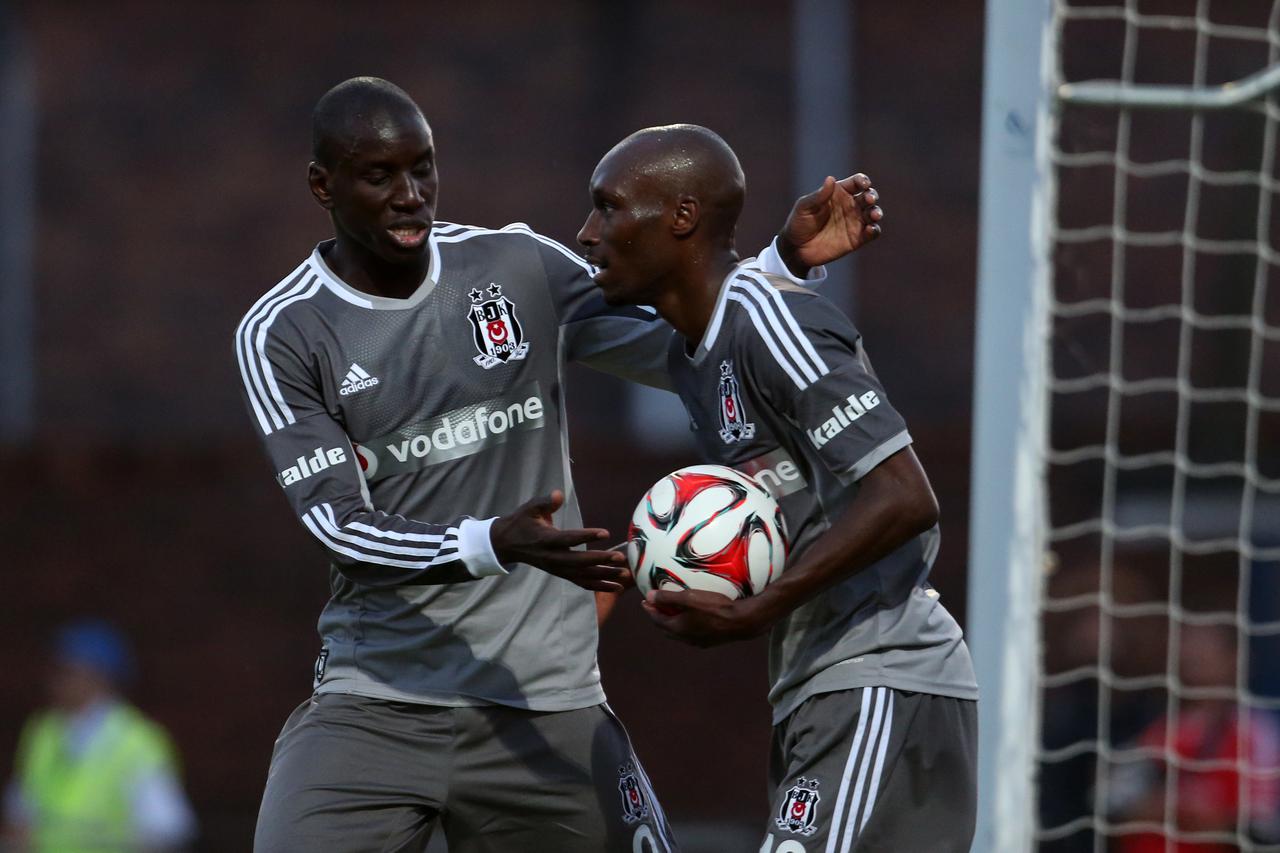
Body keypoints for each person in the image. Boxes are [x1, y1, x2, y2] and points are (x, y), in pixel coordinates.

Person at [234, 77, 883, 853]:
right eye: (380, 177)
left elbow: (689, 335)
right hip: (377, 701)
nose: (411, 195)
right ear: (323, 185)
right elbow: (339, 526)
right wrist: (491, 543)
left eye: (424, 168)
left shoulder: (514, 266)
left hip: (550, 701)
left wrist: (779, 264)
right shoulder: (284, 331)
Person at [575, 124, 979, 852]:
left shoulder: (770, 318)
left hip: (882, 672)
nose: (587, 232)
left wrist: (756, 608)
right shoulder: (694, 352)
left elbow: (904, 495)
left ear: (681, 217)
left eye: (608, 208)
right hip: (818, 685)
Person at [3, 621, 196, 853]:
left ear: (99, 676)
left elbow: (167, 828)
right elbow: (20, 810)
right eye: (55, 669)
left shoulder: (138, 740)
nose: (54, 680)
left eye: (67, 670)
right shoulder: (43, 731)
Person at [1108, 623, 1280, 852]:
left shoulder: (1259, 732)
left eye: (1205, 647)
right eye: (1187, 645)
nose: (1192, 654)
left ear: (1235, 658)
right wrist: (1159, 807)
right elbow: (1109, 804)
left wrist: (1215, 820)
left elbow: (1265, 826)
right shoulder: (1148, 726)